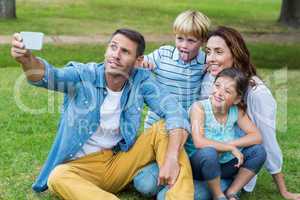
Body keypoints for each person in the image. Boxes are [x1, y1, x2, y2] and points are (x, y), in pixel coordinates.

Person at [11, 28, 194, 200]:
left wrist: (171, 158)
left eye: (125, 51)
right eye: (113, 47)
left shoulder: (142, 80)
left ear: (138, 61)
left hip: (116, 162)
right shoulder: (84, 74)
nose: (116, 54)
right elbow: (49, 76)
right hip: (78, 168)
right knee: (57, 176)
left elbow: (175, 112)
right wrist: (27, 60)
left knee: (164, 128)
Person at [200, 26, 300, 200]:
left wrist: (284, 191)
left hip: (234, 163)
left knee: (197, 194)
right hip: (206, 155)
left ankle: (229, 189)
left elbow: (267, 141)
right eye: (208, 52)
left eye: (218, 52)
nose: (211, 58)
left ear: (235, 53)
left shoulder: (257, 93)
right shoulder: (210, 78)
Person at [131, 10, 212, 198]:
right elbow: (140, 63)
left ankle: (181, 185)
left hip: (185, 132)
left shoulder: (205, 62)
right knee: (145, 182)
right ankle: (169, 179)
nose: (184, 45)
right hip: (156, 128)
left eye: (191, 41)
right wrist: (143, 64)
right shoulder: (163, 54)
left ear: (202, 41)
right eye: (180, 38)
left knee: (174, 164)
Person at [186, 67, 266, 200]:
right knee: (209, 152)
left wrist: (230, 144)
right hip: (200, 165)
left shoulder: (236, 111)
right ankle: (218, 195)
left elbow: (257, 136)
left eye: (227, 91)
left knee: (258, 151)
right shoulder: (199, 108)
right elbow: (199, 141)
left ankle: (231, 192)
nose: (219, 93)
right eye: (217, 86)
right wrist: (229, 148)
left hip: (224, 164)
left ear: (237, 99)